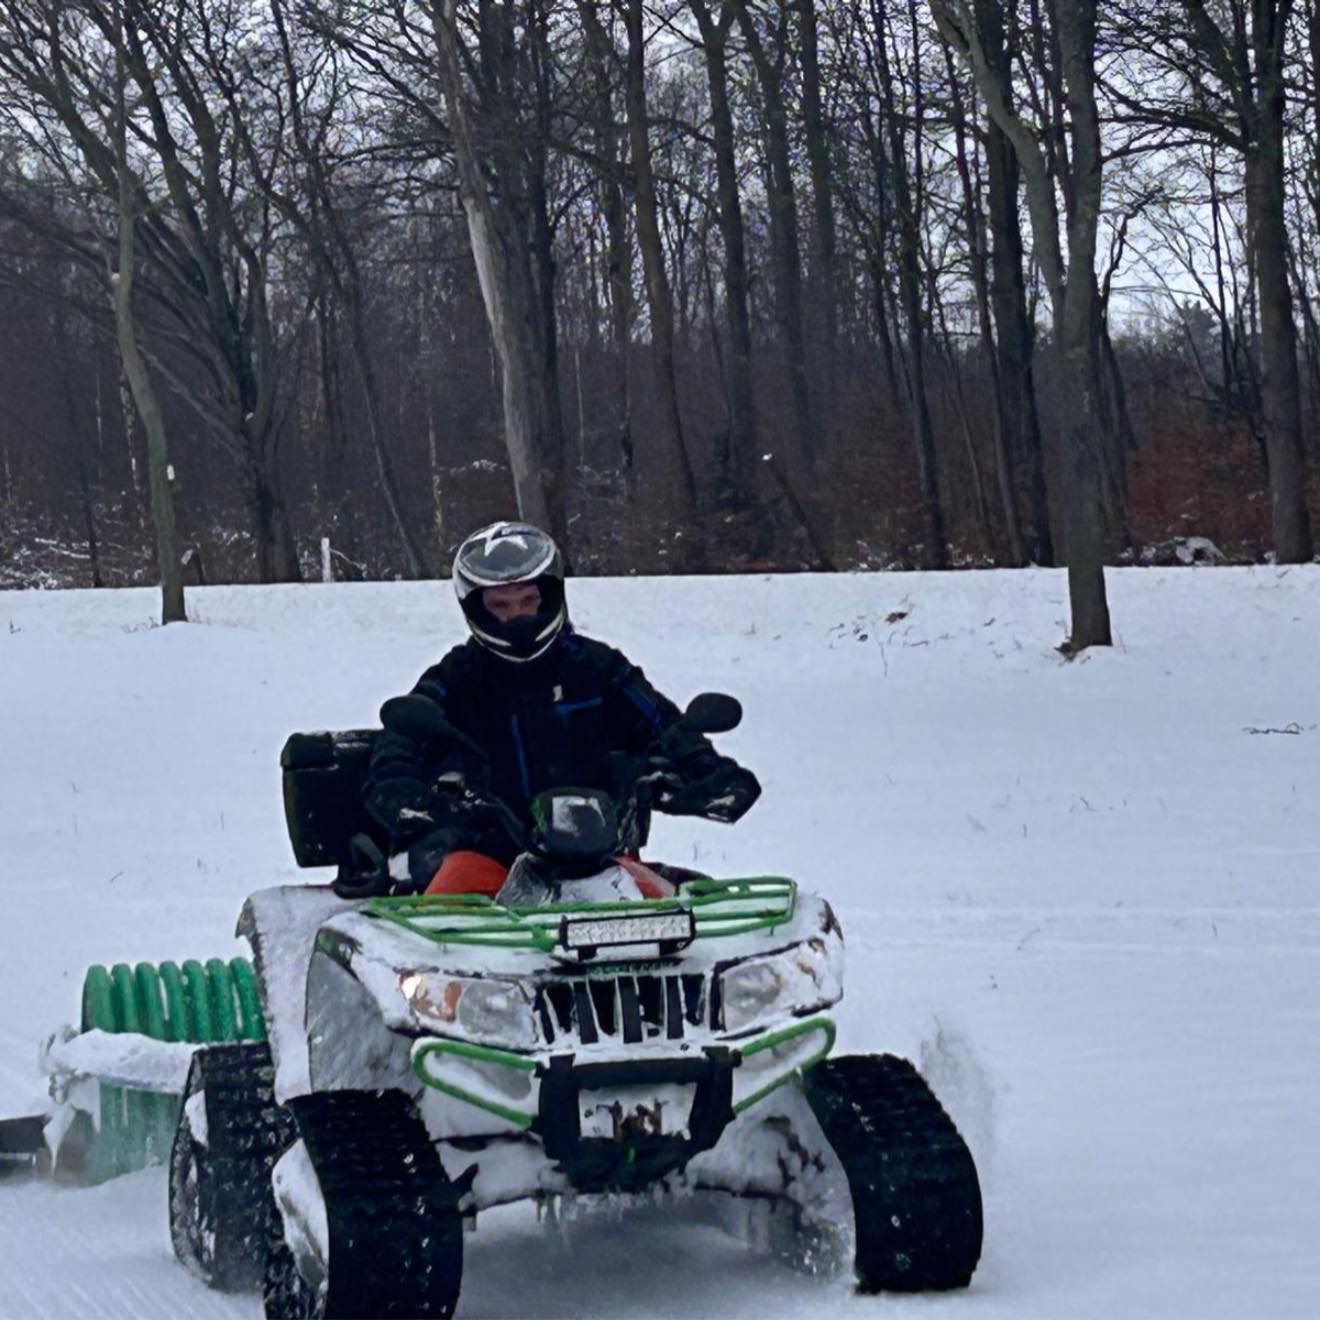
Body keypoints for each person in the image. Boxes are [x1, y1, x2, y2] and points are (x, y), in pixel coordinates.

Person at [361, 520, 760, 896]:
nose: (517, 615)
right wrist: (405, 794)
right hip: (485, 854)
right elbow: (400, 740)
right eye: (501, 605)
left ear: (550, 596)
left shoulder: (599, 670)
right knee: (452, 897)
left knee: (682, 906)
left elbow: (665, 726)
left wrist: (708, 772)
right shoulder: (454, 680)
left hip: (597, 860)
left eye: (528, 601)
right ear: (477, 609)